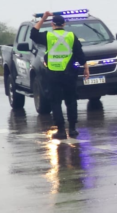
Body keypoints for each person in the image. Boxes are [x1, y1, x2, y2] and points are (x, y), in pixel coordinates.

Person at [30, 11, 89, 140]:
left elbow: (33, 34)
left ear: (52, 24)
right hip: (69, 73)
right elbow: (79, 53)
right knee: (71, 101)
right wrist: (85, 67)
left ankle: (61, 131)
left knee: (56, 102)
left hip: (53, 73)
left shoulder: (48, 36)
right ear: (64, 24)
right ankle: (73, 129)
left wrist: (43, 18)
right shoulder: (71, 36)